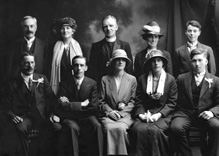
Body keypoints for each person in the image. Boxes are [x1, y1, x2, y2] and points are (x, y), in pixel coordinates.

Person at [1, 52, 60, 156]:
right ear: (20, 64)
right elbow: (5, 105)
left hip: (42, 116)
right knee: (20, 128)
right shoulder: (12, 83)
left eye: (32, 62)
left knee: (57, 127)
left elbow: (52, 100)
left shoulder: (42, 78)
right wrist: (13, 116)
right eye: (26, 63)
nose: (30, 66)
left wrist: (52, 115)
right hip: (24, 117)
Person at [170, 48, 219, 156]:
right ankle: (186, 153)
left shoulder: (215, 80)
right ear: (190, 61)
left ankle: (210, 154)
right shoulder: (181, 78)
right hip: (185, 113)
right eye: (194, 61)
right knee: (176, 127)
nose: (197, 64)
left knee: (217, 126)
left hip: (206, 113)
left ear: (206, 61)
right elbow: (174, 98)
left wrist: (212, 112)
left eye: (200, 60)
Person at [54, 55, 103, 156]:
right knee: (72, 128)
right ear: (72, 67)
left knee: (97, 126)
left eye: (81, 65)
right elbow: (61, 106)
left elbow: (93, 107)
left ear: (86, 68)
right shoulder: (64, 83)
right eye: (76, 65)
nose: (79, 68)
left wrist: (70, 106)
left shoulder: (92, 83)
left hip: (86, 116)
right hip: (70, 118)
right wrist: (82, 104)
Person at [131, 50, 177, 156]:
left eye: (159, 60)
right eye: (153, 61)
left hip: (163, 114)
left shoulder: (170, 80)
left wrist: (158, 115)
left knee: (156, 131)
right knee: (139, 129)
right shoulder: (142, 79)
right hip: (146, 113)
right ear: (149, 64)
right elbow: (139, 100)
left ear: (163, 63)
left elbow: (172, 103)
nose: (156, 63)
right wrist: (141, 114)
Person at [99, 49, 137, 156]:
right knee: (109, 128)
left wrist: (121, 113)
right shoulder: (105, 79)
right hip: (108, 115)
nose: (120, 62)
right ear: (113, 62)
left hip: (125, 115)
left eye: (123, 60)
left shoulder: (132, 79)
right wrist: (110, 112)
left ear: (126, 63)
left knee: (120, 128)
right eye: (117, 60)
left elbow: (134, 101)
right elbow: (100, 101)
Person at [88, 15, 133, 87]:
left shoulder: (125, 45)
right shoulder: (96, 47)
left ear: (116, 27)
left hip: (121, 85)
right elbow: (93, 70)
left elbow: (129, 69)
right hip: (102, 85)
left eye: (111, 25)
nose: (108, 29)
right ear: (102, 28)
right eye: (105, 26)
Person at [45, 17, 83, 95]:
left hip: (73, 83)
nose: (65, 31)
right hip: (58, 82)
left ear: (73, 30)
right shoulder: (53, 47)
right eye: (63, 28)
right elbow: (48, 67)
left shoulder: (80, 47)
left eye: (68, 28)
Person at [6, 15, 46, 80]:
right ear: (22, 28)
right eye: (26, 26)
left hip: (38, 85)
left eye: (31, 26)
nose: (29, 29)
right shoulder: (13, 45)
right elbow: (9, 68)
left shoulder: (44, 45)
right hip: (18, 85)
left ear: (36, 28)